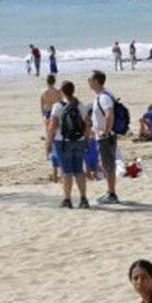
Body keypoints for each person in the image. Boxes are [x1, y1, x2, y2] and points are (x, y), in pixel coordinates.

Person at [45, 80, 93, 209]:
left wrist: (48, 143)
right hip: (79, 140)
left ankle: (67, 199)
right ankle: (83, 199)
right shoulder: (81, 105)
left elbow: (52, 126)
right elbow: (88, 124)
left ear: (61, 91)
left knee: (67, 171)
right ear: (73, 91)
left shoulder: (58, 106)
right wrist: (86, 140)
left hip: (63, 142)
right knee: (79, 170)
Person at [88, 70, 120, 205]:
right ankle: (109, 192)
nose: (88, 81)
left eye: (90, 79)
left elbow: (109, 115)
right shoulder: (101, 96)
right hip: (103, 135)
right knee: (106, 164)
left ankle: (112, 194)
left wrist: (105, 132)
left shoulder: (104, 97)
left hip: (106, 136)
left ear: (96, 81)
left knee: (108, 165)